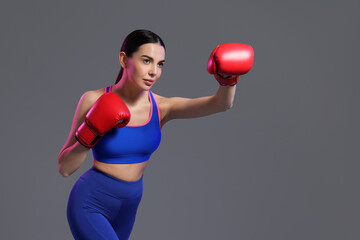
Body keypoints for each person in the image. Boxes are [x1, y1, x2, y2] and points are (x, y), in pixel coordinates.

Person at [58, 29, 254, 240]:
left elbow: (220, 104)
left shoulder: (161, 107)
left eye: (160, 64)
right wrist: (91, 131)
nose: (154, 71)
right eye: (146, 61)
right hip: (90, 203)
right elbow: (65, 168)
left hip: (128, 207)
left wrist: (228, 78)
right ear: (124, 59)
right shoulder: (93, 100)